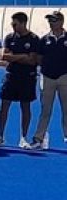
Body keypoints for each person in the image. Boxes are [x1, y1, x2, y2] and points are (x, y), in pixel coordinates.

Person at [0, 11, 40, 148]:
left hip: (27, 77)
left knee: (25, 107)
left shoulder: (33, 39)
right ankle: (0, 136)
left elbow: (32, 60)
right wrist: (23, 57)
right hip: (11, 75)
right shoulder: (9, 38)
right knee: (4, 106)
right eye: (12, 24)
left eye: (15, 24)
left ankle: (23, 137)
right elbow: (4, 56)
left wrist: (15, 57)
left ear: (23, 23)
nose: (13, 26)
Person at [30, 11, 67, 149]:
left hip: (65, 77)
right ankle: (39, 137)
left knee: (66, 109)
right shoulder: (44, 39)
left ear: (61, 22)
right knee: (45, 110)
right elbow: (39, 57)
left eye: (54, 20)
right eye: (50, 20)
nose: (51, 23)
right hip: (47, 77)